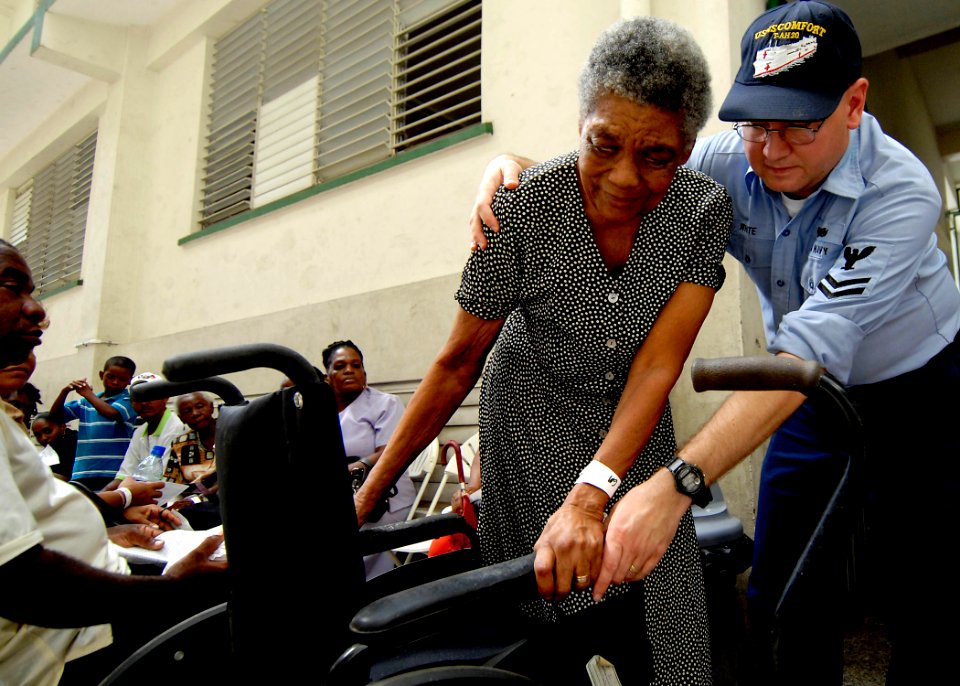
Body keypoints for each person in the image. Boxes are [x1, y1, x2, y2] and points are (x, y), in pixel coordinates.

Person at [469, 3, 960, 684]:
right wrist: (511, 165)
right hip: (809, 400)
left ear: (854, 104)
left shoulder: (901, 194)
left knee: (926, 587)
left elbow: (804, 353)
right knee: (780, 593)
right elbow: (620, 161)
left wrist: (677, 483)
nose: (772, 149)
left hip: (921, 391)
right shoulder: (729, 160)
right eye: (757, 123)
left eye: (799, 126)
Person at [357, 17, 732, 685]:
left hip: (632, 427)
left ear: (687, 148)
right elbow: (455, 364)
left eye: (657, 157)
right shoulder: (522, 209)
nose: (624, 177)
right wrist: (364, 500)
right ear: (581, 123)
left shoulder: (702, 212)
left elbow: (656, 364)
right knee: (552, 623)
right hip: (529, 423)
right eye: (603, 145)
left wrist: (593, 493)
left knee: (668, 623)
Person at [0, 239, 228, 685]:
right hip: (65, 647)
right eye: (13, 287)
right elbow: (20, 582)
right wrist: (169, 593)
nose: (37, 311)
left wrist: (108, 527)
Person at [322, 340, 417, 579]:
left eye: (356, 365)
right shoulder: (323, 414)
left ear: (364, 372)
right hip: (343, 497)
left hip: (386, 497)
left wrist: (358, 465)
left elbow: (391, 450)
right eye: (340, 366)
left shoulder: (385, 403)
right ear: (328, 376)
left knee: (348, 550)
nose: (349, 370)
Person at [49, 355, 138, 490]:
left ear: (129, 381)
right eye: (111, 377)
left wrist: (88, 394)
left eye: (122, 379)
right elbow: (55, 417)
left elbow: (111, 413)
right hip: (83, 472)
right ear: (102, 375)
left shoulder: (129, 400)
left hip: (113, 472)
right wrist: (65, 391)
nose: (115, 382)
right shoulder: (86, 403)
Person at [100, 372, 187, 510]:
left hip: (170, 502)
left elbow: (162, 483)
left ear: (165, 397)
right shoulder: (140, 432)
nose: (145, 402)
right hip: (140, 497)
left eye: (151, 396)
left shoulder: (177, 428)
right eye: (139, 398)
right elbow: (124, 475)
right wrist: (98, 498)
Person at [31, 411, 77, 480]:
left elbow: (65, 477)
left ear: (62, 427)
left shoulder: (75, 443)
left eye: (47, 431)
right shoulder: (50, 451)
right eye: (38, 435)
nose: (43, 438)